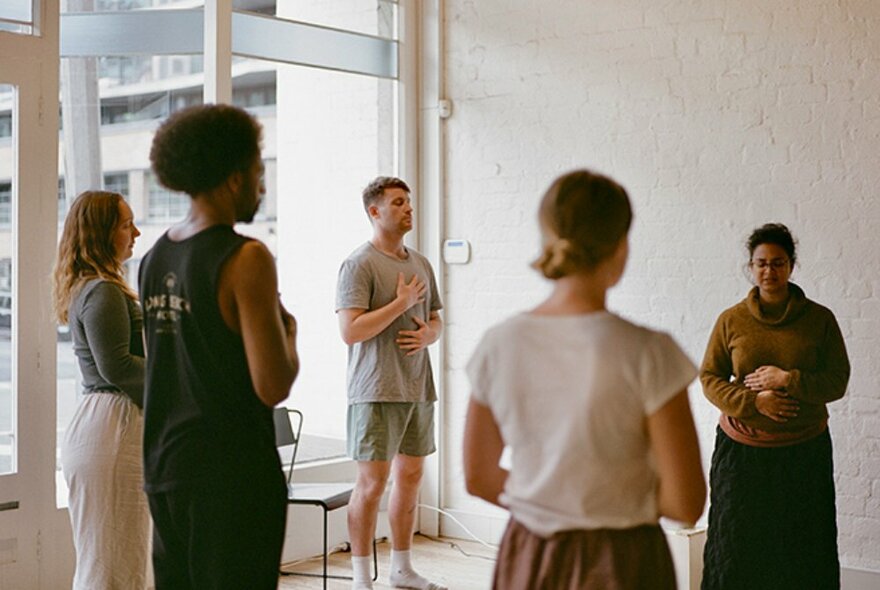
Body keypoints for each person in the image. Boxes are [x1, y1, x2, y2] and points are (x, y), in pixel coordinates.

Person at [463, 170, 706, 590]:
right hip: (624, 559)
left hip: (529, 555)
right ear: (621, 247)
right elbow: (685, 502)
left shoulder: (498, 344)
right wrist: (605, 500)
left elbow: (479, 476)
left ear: (547, 236)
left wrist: (551, 496)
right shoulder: (649, 352)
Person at [139, 104, 299, 589]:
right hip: (231, 474)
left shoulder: (154, 257)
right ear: (233, 179)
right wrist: (290, 333)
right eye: (257, 172)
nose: (262, 185)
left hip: (166, 467)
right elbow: (272, 386)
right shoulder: (246, 257)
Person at [699, 223, 850, 590]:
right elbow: (709, 378)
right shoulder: (731, 320)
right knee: (737, 548)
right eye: (762, 263)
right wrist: (754, 402)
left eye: (778, 263)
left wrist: (788, 380)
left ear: (791, 265)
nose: (770, 271)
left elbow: (837, 381)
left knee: (802, 549)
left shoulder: (820, 319)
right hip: (741, 456)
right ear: (751, 267)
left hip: (804, 454)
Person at [336, 176, 446, 590]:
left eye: (408, 202)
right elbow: (350, 331)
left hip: (417, 386)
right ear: (375, 211)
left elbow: (436, 316)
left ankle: (402, 569)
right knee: (372, 485)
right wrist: (399, 303)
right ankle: (361, 579)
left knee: (412, 477)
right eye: (398, 203)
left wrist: (430, 334)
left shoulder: (420, 263)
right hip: (375, 389)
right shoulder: (359, 264)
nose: (408, 208)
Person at [53, 190, 149, 590]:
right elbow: (118, 367)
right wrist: (178, 375)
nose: (136, 233)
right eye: (127, 225)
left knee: (112, 560)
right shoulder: (104, 291)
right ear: (103, 232)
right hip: (113, 427)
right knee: (112, 566)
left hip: (106, 424)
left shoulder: (93, 287)